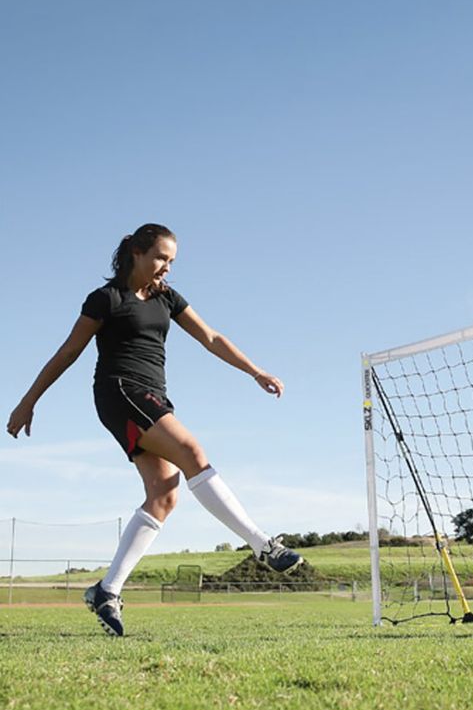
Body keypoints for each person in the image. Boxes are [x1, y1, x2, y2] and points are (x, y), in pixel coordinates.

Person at [6, 223, 303, 637]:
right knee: (192, 452)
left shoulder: (167, 298)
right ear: (136, 252)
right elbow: (69, 351)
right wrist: (28, 400)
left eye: (172, 261)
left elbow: (211, 337)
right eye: (161, 257)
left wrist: (255, 371)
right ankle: (262, 545)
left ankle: (106, 591)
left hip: (155, 397)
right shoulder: (106, 299)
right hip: (120, 392)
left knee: (164, 494)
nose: (167, 267)